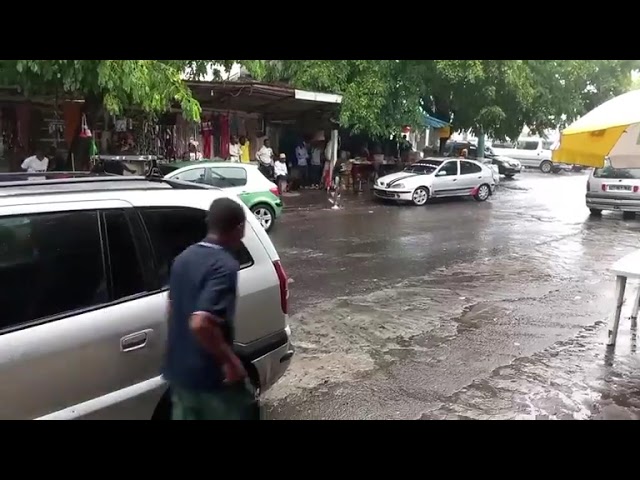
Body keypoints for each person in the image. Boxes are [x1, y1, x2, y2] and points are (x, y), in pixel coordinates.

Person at [164, 197, 258, 420]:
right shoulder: (224, 265)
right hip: (213, 379)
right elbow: (201, 322)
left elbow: (171, 307)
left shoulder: (183, 258)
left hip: (180, 375)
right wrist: (231, 362)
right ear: (239, 228)